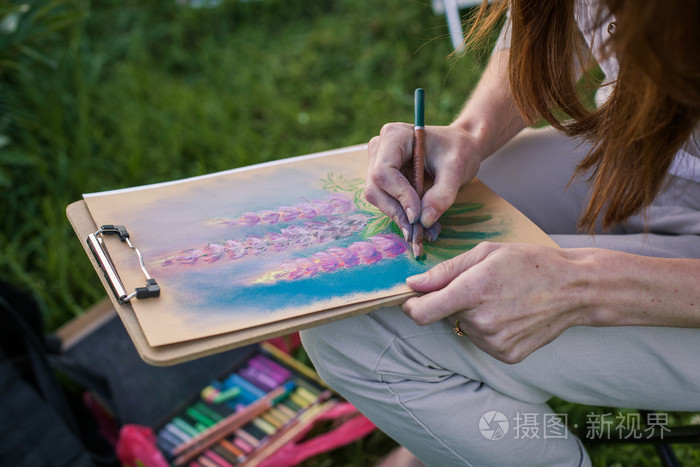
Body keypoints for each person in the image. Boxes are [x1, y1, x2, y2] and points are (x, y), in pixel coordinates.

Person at [301, 0, 700, 465]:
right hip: (641, 151)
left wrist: (585, 285)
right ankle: (454, 416)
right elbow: (568, 20)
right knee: (426, 219)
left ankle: (447, 402)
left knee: (356, 327)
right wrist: (471, 135)